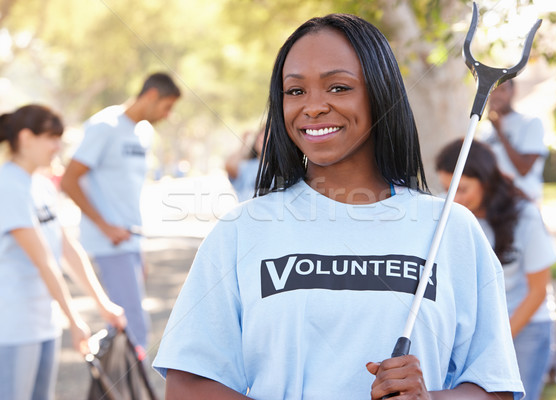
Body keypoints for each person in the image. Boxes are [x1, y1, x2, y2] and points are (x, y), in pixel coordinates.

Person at [153, 14, 523, 399]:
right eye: (295, 91)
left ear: (380, 93)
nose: (313, 107)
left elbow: (493, 386)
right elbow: (189, 384)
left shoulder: (452, 228)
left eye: (338, 87)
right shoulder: (241, 230)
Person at [0, 104, 126, 400]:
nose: (58, 147)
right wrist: (74, 318)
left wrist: (103, 303)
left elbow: (67, 249)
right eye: (51, 138)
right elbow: (43, 260)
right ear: (26, 137)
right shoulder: (7, 186)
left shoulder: (42, 186)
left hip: (43, 322)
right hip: (12, 324)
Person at [61, 72, 180, 350]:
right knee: (132, 328)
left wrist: (140, 250)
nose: (169, 114)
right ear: (151, 96)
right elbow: (69, 179)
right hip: (109, 242)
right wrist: (105, 227)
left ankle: (113, 389)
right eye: (167, 106)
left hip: (130, 241)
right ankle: (129, 391)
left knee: (124, 329)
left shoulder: (145, 133)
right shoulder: (105, 126)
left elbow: (127, 191)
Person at [436, 138, 556, 400]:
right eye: (448, 190)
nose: (454, 199)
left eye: (463, 189)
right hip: (473, 331)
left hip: (525, 327)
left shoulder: (524, 215)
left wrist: (497, 341)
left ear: (485, 180)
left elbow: (538, 290)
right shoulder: (450, 216)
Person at [477, 79, 549, 203]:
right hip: (494, 201)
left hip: (523, 200)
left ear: (513, 91)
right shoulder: (485, 129)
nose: (497, 95)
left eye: (503, 90)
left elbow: (523, 169)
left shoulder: (530, 123)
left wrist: (500, 133)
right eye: (493, 91)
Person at [225, 127, 265, 202]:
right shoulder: (247, 166)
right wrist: (244, 144)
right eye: (262, 133)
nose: (264, 137)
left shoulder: (281, 169)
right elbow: (229, 165)